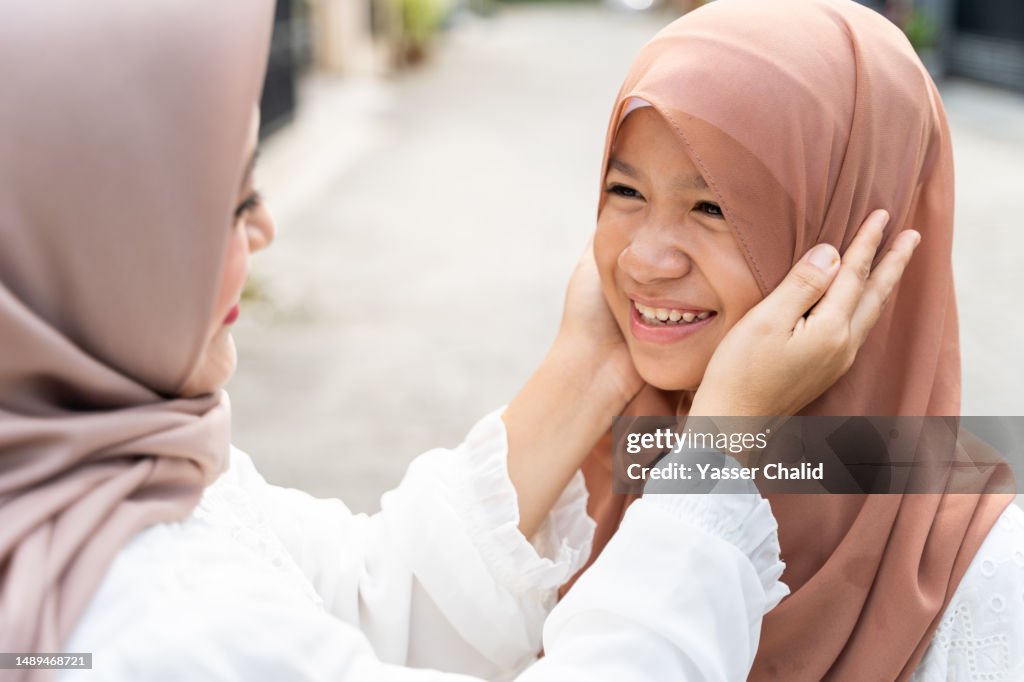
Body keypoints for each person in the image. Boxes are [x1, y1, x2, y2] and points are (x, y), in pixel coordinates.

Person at [0, 2, 917, 681]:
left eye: (714, 204)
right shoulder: (145, 623)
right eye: (235, 202)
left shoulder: (88, 482)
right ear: (99, 252)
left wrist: (589, 365)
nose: (266, 229)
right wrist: (715, 455)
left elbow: (365, 594)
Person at [571, 0, 1024, 680]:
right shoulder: (585, 481)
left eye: (712, 206)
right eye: (625, 190)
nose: (644, 260)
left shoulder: (988, 582)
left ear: (849, 237)